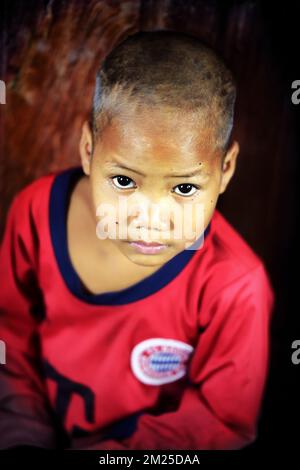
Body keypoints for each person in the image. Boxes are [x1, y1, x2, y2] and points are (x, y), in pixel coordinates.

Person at [0, 30, 275, 450]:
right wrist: (22, 433)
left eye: (184, 189)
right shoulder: (37, 214)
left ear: (226, 169)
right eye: (124, 180)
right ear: (89, 150)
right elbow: (10, 337)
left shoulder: (235, 287)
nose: (149, 219)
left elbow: (225, 419)